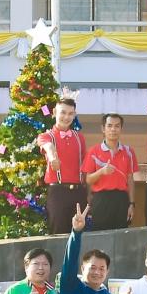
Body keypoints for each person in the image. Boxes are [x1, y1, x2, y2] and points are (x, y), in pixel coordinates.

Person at [38, 96, 88, 234]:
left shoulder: (79, 137)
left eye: (70, 113)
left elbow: (85, 164)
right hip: (58, 192)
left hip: (79, 191)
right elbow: (48, 146)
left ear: (74, 115)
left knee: (78, 232)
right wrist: (53, 157)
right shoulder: (46, 135)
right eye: (63, 112)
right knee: (58, 232)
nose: (66, 117)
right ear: (55, 112)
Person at [82, 113, 138, 230]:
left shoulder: (129, 151)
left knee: (121, 235)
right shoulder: (93, 151)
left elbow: (130, 179)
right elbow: (88, 180)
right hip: (101, 199)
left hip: (122, 200)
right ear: (103, 129)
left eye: (117, 126)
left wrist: (132, 204)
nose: (113, 129)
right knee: (100, 235)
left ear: (121, 129)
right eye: (109, 125)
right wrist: (101, 172)